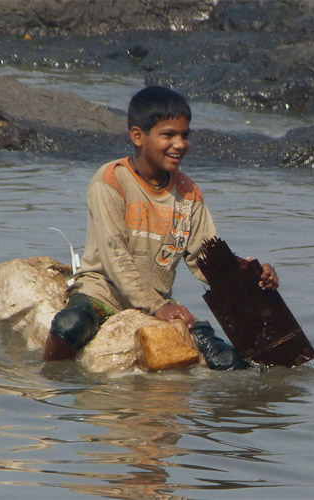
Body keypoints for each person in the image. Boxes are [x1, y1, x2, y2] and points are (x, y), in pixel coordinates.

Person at [43, 86, 279, 369]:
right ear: (138, 136)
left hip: (157, 301)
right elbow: (115, 256)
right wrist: (158, 307)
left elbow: (207, 259)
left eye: (185, 135)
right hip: (103, 293)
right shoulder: (111, 180)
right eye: (169, 135)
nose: (179, 144)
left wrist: (251, 277)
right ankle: (50, 382)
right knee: (70, 325)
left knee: (226, 359)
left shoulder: (188, 193)